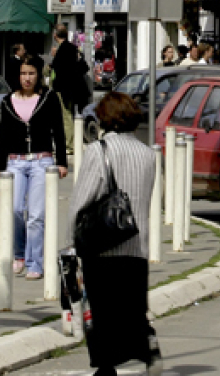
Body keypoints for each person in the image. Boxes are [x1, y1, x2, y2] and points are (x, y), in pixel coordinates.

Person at [67, 92, 161, 376]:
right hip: (137, 246)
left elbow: (81, 200)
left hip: (103, 248)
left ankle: (105, 367)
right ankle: (148, 349)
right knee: (133, 310)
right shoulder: (148, 155)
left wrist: (70, 241)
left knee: (102, 313)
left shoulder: (99, 150)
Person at [0, 54, 67, 280]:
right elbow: (3, 136)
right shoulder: (7, 101)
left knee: (36, 216)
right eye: (23, 73)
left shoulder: (49, 98)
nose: (27, 78)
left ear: (38, 75)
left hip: (42, 161)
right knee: (15, 209)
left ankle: (34, 262)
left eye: (31, 73)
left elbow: (58, 131)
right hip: (15, 161)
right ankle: (19, 253)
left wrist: (61, 162)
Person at [51, 24, 91, 151]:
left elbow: (59, 69)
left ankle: (69, 144)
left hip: (64, 89)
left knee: (66, 117)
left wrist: (54, 59)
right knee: (70, 116)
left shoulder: (62, 50)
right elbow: (83, 67)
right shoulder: (74, 49)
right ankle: (71, 142)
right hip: (73, 89)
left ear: (55, 35)